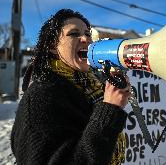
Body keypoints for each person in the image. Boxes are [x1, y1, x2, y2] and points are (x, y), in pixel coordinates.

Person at [11, 9, 131, 165]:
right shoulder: (40, 96)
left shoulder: (90, 86)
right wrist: (109, 110)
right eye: (74, 34)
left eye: (88, 34)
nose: (86, 39)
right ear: (53, 46)